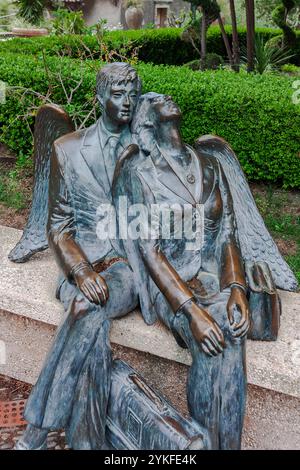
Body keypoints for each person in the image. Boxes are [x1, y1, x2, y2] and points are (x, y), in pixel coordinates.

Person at [112, 92, 250, 450]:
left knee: (232, 333)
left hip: (209, 277)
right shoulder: (139, 172)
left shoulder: (209, 164)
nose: (167, 98)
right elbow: (149, 251)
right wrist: (190, 313)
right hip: (169, 285)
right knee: (210, 341)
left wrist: (236, 287)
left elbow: (227, 234)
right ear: (147, 118)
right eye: (157, 99)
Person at [15, 63, 141, 450]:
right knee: (89, 321)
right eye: (118, 94)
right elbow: (57, 226)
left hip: (126, 268)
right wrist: (81, 269)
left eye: (132, 94)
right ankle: (88, 443)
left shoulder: (147, 148)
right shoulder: (66, 148)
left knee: (85, 310)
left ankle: (35, 432)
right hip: (80, 264)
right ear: (100, 98)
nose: (127, 102)